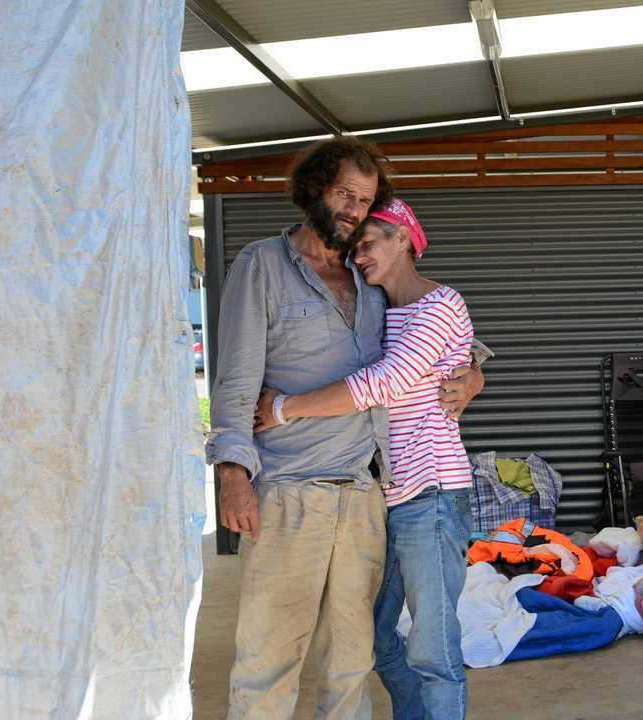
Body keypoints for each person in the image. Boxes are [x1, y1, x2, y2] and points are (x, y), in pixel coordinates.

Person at [206, 136, 483, 720]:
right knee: (268, 662)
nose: (355, 210)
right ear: (315, 190)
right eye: (345, 195)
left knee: (352, 665)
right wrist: (232, 473)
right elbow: (233, 381)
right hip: (287, 495)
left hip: (365, 499)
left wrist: (475, 372)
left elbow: (438, 338)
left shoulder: (371, 278)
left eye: (366, 200)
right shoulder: (262, 265)